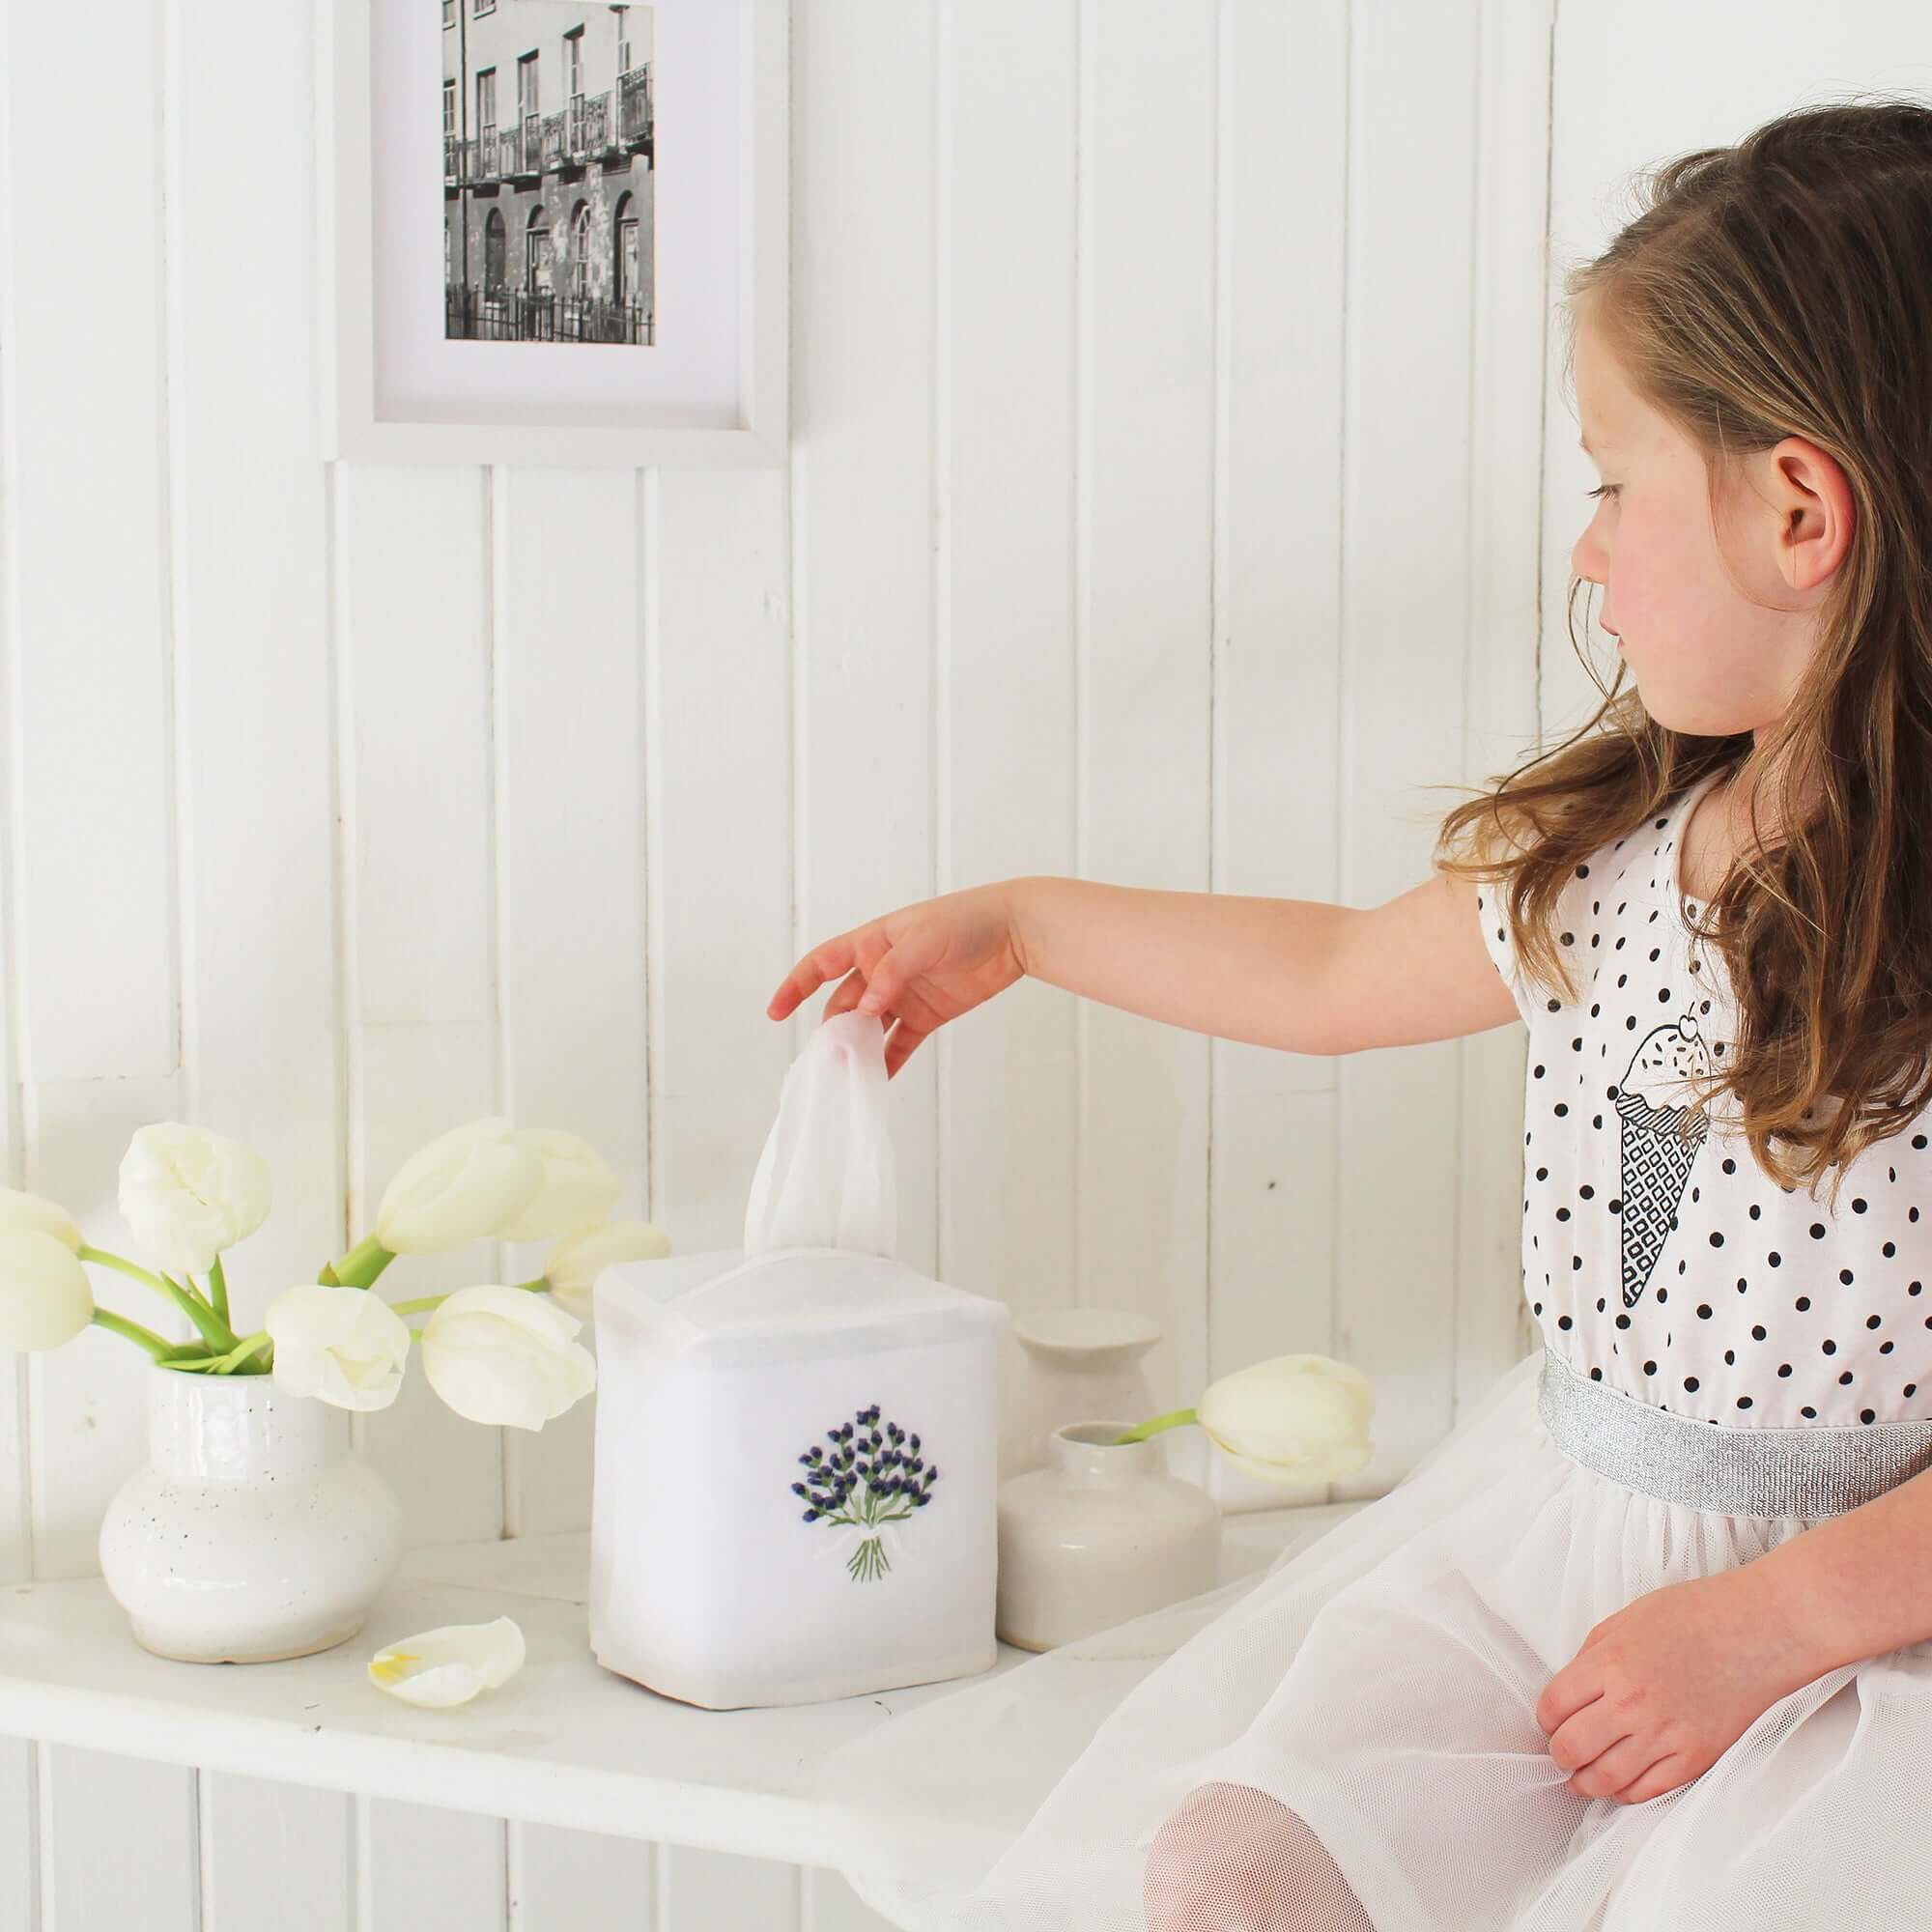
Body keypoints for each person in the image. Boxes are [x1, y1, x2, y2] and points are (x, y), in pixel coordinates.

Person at [766, 97, 1932, 1931]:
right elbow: (1324, 974)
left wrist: (1762, 1627)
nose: (1588, 552)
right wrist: (1022, 926)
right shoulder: (1633, 852)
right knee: (1230, 1863)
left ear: (1798, 508)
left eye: (1614, 483)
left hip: (1866, 1621)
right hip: (1559, 1538)